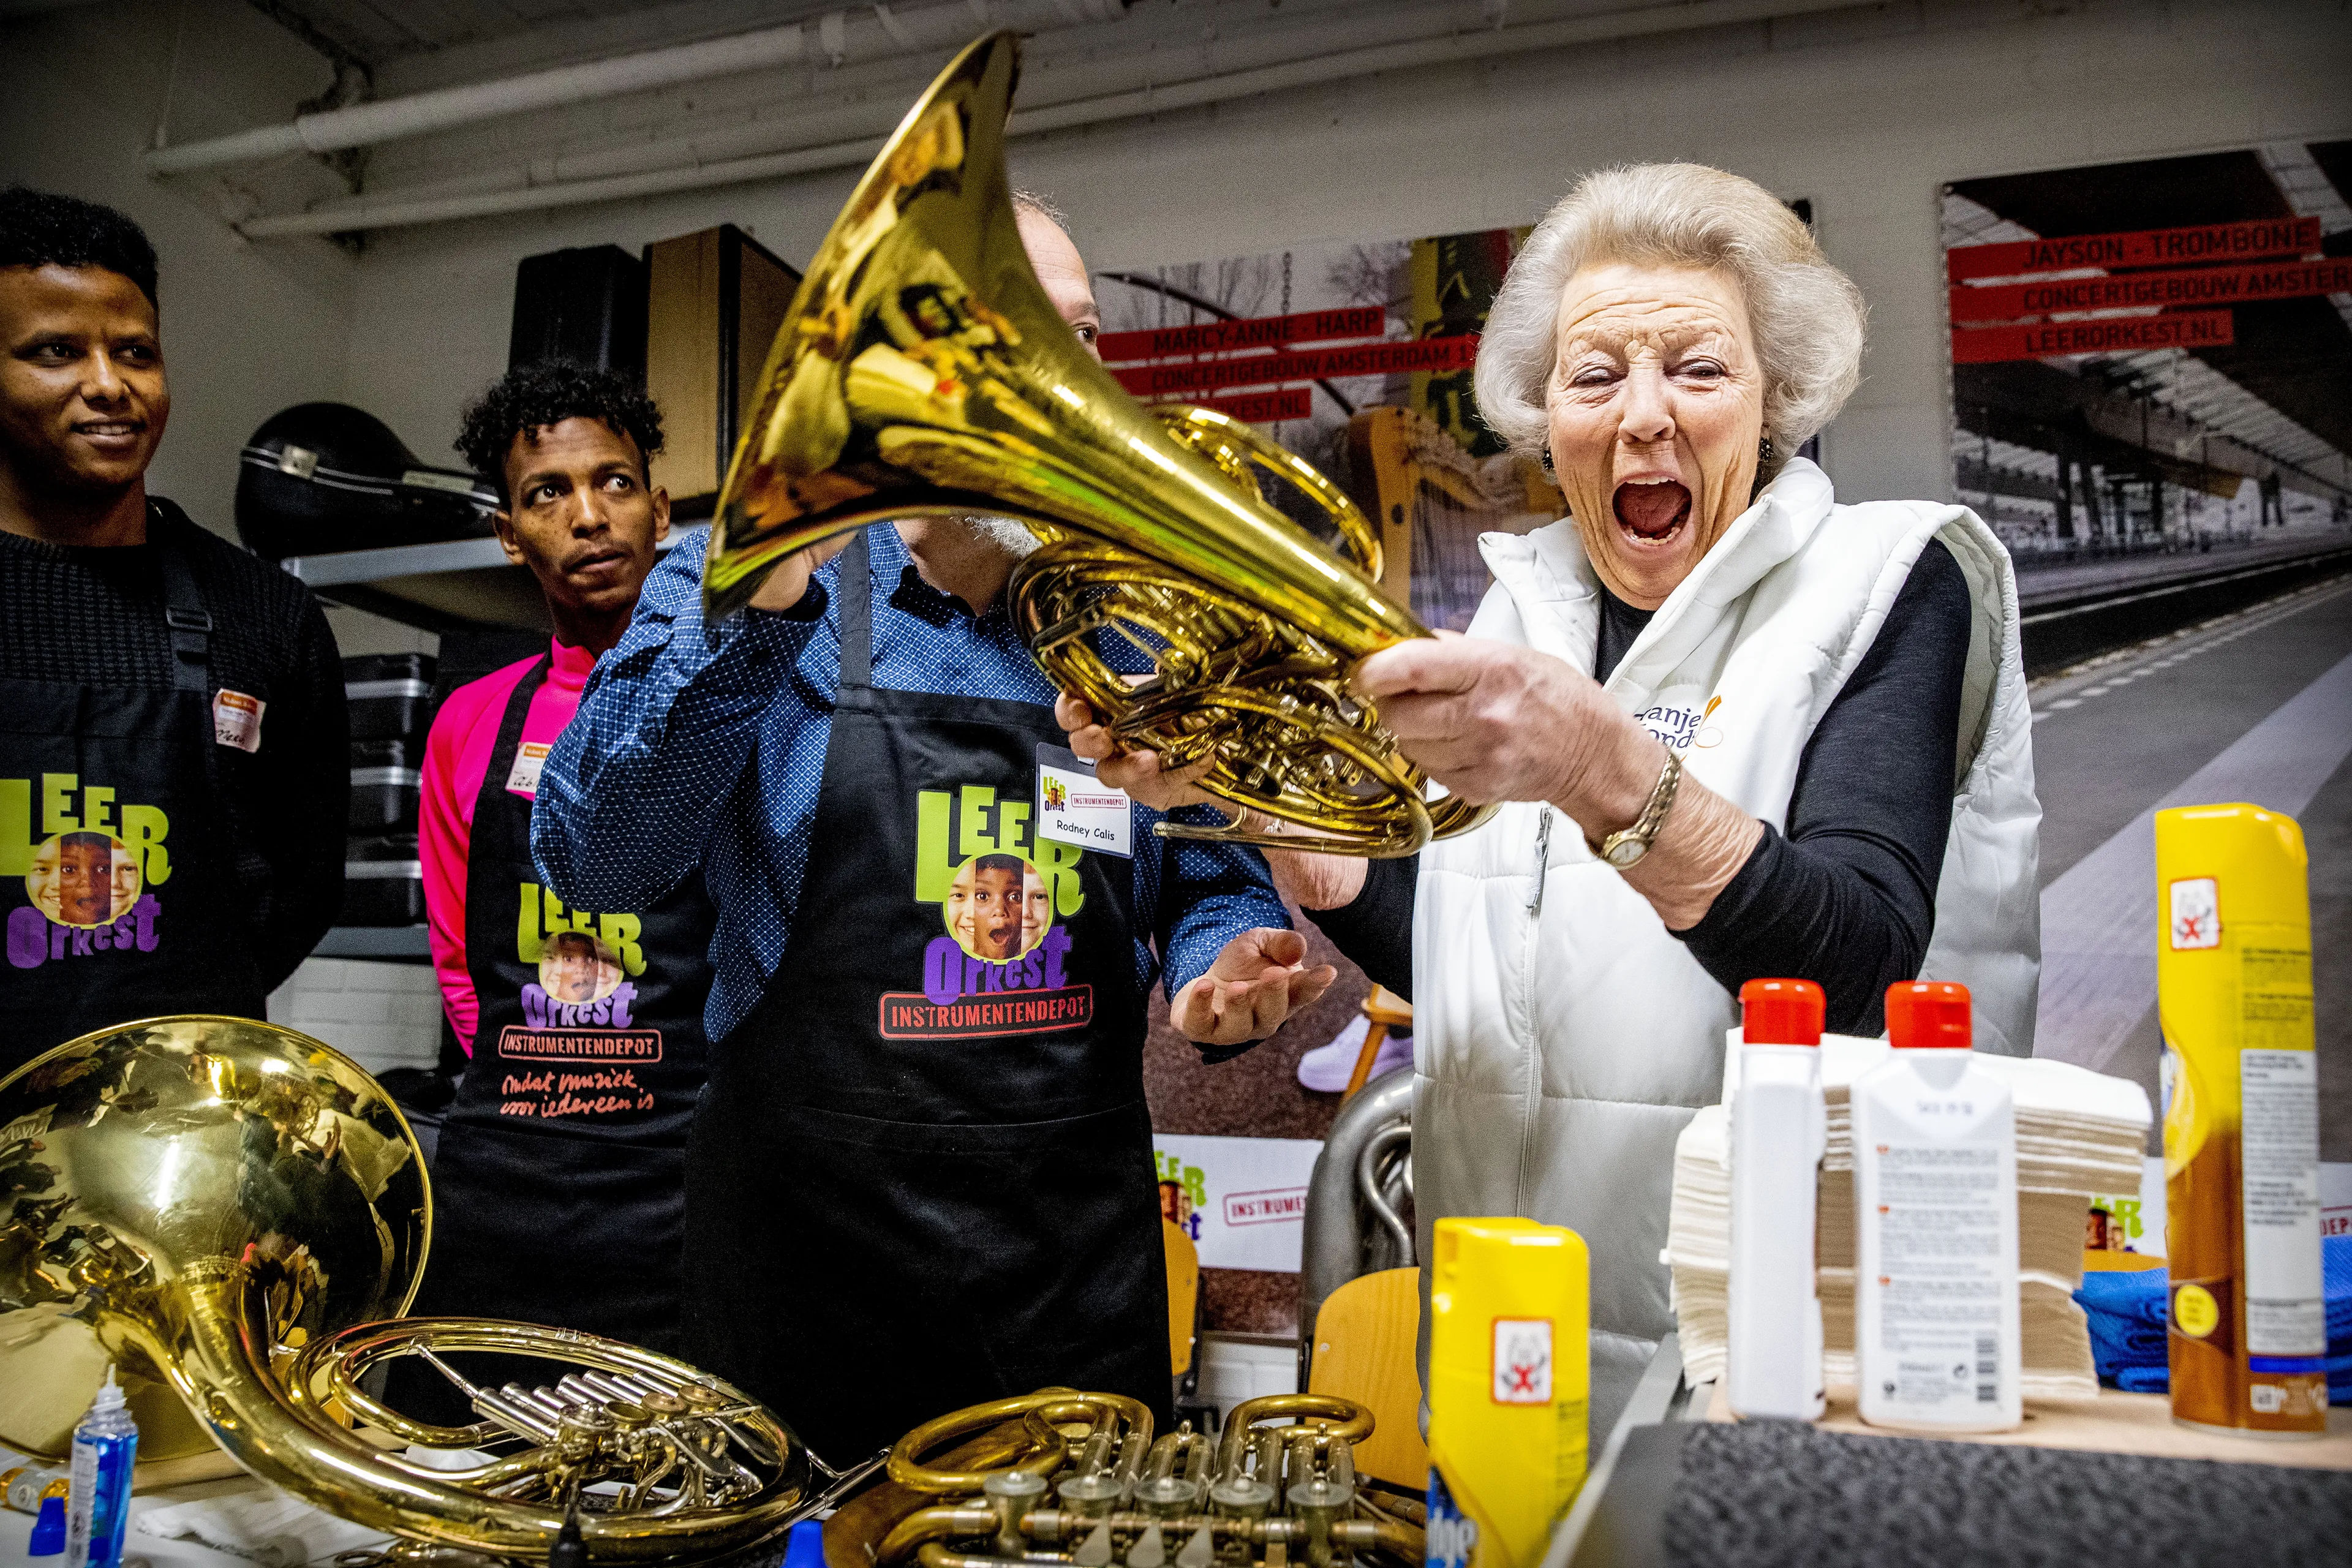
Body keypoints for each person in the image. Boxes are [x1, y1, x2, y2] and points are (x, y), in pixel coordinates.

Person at [1063, 164, 2041, 1439]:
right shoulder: (1523, 608)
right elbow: (1467, 961)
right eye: (1594, 377)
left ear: (1777, 397)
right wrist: (1252, 798)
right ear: (1544, 416)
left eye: (1697, 367)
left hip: (1787, 1377)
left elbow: (1859, 969)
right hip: (1505, 1346)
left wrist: (1598, 767)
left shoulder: (1890, 580)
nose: (1643, 416)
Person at [532, 194, 1333, 1463]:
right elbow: (596, 861)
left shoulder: (1136, 621)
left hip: (1070, 1286)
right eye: (1023, 330)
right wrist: (761, 604)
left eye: (1084, 337)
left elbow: (1207, 874)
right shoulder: (737, 572)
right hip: (807, 1293)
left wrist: (1217, 960)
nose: (1069, 377)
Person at [404, 361, 712, 1412]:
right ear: (509, 532)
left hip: (679, 1191)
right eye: (549, 493)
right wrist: (550, 1084)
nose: (588, 516)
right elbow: (458, 957)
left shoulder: (729, 702)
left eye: (615, 483)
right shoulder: (473, 718)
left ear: (660, 511)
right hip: (505, 1191)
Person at [0, 187, 345, 1068]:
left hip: (177, 1119)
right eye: (56, 351)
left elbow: (305, 885)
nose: (108, 384)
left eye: (135, 352)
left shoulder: (267, 614)